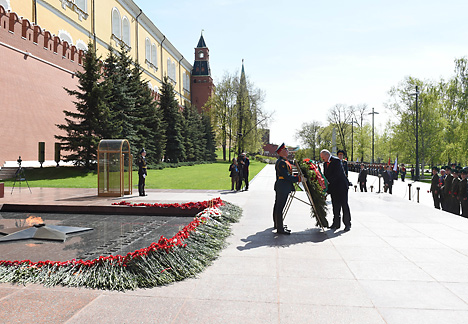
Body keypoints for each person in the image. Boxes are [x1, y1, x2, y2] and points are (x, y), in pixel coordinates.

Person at [320, 149, 351, 231]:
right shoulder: (325, 164)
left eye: (323, 157)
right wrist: (326, 187)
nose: (322, 159)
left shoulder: (336, 161)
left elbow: (336, 175)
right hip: (334, 187)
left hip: (341, 186)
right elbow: (326, 176)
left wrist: (328, 182)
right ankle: (336, 223)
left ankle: (347, 224)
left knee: (344, 204)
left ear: (327, 154)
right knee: (335, 205)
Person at [273, 143, 300, 235]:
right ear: (281, 152)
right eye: (286, 150)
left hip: (282, 186)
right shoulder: (281, 162)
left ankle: (278, 225)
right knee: (280, 207)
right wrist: (298, 178)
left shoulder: (283, 161)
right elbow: (286, 176)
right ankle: (279, 229)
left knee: (278, 206)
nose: (287, 151)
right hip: (282, 186)